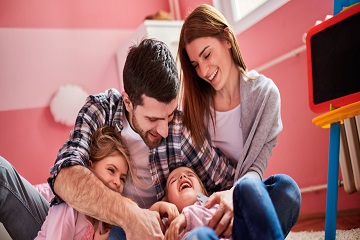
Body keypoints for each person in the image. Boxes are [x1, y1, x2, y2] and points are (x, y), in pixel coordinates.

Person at [0, 38, 236, 240]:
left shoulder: (179, 130)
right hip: (68, 226)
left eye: (170, 114)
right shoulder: (101, 109)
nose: (164, 129)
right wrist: (129, 214)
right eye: (153, 118)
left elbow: (230, 179)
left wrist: (231, 195)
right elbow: (65, 175)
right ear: (128, 101)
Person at [177, 4, 301, 239]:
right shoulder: (195, 108)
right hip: (208, 212)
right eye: (195, 65)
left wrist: (233, 195)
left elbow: (256, 168)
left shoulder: (265, 95)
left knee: (286, 189)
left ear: (226, 38)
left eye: (207, 54)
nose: (203, 71)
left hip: (246, 201)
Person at [35, 126, 135, 239]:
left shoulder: (101, 222)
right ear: (90, 167)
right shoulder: (68, 207)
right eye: (111, 170)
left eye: (122, 178)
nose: (117, 182)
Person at [151, 166, 230, 240]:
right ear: (168, 200)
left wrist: (186, 217)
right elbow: (145, 225)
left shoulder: (210, 202)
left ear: (202, 190)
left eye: (190, 175)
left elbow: (219, 216)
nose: (182, 176)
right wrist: (158, 207)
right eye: (173, 181)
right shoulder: (168, 221)